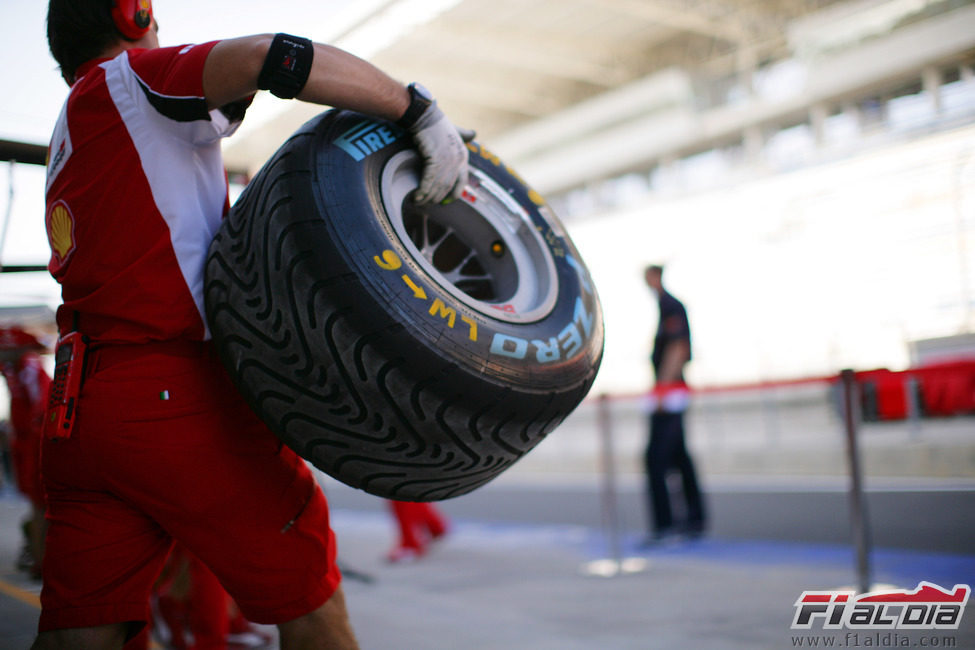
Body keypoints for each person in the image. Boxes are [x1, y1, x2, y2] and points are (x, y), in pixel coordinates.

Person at [37, 1, 470, 648]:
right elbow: (271, 55)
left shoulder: (72, 127)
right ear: (133, 15)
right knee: (312, 609)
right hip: (175, 396)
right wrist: (415, 110)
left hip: (82, 410)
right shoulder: (131, 79)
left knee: (81, 635)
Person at [642, 264, 706, 543]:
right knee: (679, 457)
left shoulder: (671, 305)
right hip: (669, 391)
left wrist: (662, 391)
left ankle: (666, 525)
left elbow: (678, 348)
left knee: (656, 458)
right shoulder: (664, 305)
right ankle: (693, 520)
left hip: (670, 393)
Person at [0, 327, 51, 580]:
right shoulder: (16, 367)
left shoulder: (27, 365)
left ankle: (41, 558)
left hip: (35, 440)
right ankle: (40, 557)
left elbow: (41, 404)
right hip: (28, 440)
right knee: (39, 505)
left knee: (41, 505)